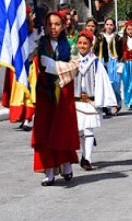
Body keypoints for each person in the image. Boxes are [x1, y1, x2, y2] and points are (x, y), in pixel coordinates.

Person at [34, 12, 80, 186]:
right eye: (50, 24)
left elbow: (76, 65)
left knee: (62, 130)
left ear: (63, 25)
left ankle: (66, 164)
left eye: (57, 24)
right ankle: (49, 170)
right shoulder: (40, 43)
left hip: (63, 91)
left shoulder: (70, 44)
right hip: (44, 92)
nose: (53, 27)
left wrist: (55, 66)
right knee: (45, 131)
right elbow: (29, 57)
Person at [73, 30, 117, 170]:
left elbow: (102, 82)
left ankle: (87, 159)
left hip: (90, 101)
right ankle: (84, 154)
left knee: (88, 130)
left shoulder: (96, 62)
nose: (82, 46)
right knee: (80, 131)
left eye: (85, 43)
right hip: (76, 101)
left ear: (91, 45)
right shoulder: (73, 61)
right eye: (79, 43)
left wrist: (101, 101)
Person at [95, 18, 122, 115]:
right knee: (105, 85)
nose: (109, 26)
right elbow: (96, 50)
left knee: (115, 84)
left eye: (111, 24)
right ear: (104, 25)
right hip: (103, 62)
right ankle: (108, 106)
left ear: (114, 26)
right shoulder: (99, 37)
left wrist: (121, 63)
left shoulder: (118, 38)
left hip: (115, 62)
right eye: (107, 24)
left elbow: (121, 52)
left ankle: (117, 102)